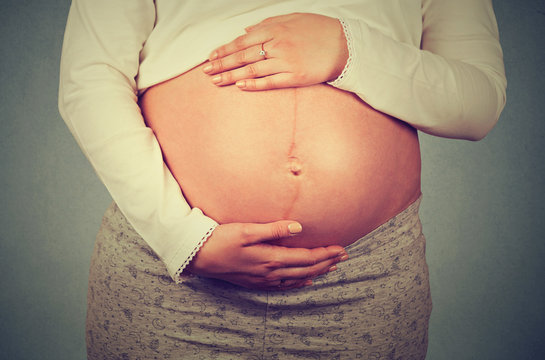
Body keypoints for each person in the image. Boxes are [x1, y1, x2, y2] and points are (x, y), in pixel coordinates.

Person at [58, 0, 506, 358]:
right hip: (175, 274)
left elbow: (479, 102)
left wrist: (350, 51)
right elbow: (91, 78)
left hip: (362, 281)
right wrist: (181, 238)